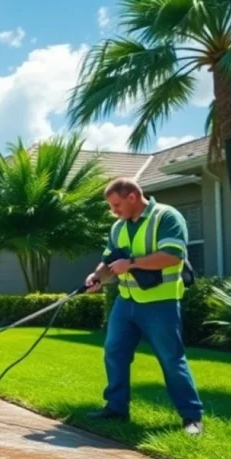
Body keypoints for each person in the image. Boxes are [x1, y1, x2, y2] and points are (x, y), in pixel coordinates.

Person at [84, 178, 204, 436]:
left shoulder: (166, 217)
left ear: (132, 197)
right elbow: (108, 262)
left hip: (160, 303)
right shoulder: (118, 227)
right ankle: (116, 408)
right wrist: (96, 277)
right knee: (114, 352)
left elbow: (173, 255)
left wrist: (132, 263)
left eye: (116, 205)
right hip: (126, 302)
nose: (113, 211)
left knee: (171, 359)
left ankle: (191, 417)